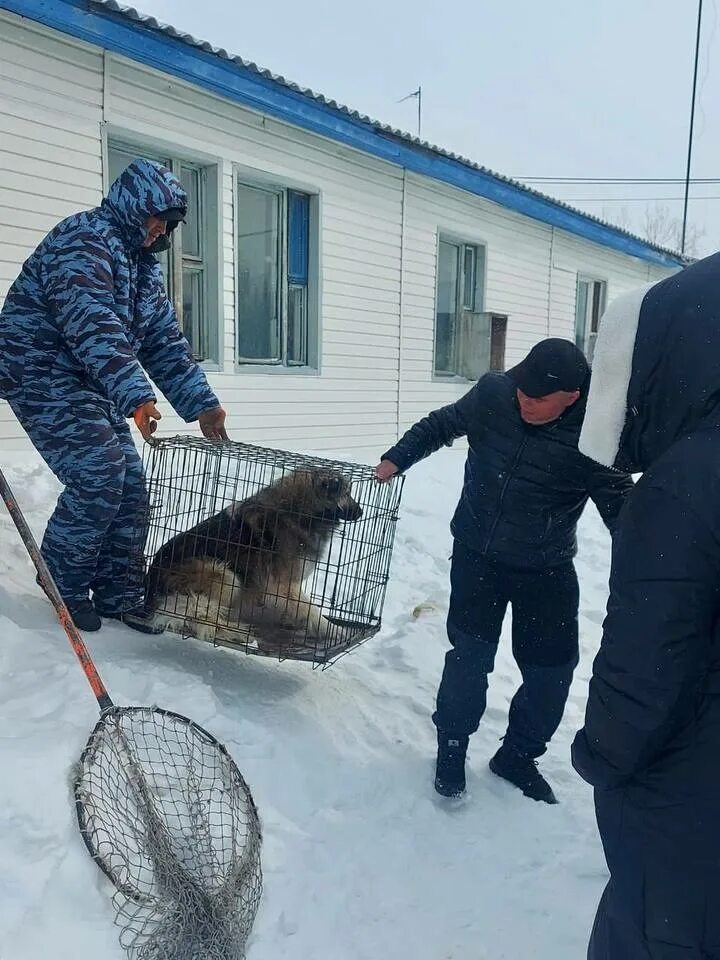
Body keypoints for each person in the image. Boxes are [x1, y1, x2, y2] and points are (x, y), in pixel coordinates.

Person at [375, 339, 633, 803]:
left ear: (572, 396)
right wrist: (397, 457)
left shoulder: (595, 434)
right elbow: (442, 424)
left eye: (537, 398)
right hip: (477, 558)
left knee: (552, 674)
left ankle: (517, 755)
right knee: (469, 661)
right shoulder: (495, 393)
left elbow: (623, 510)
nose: (523, 402)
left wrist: (653, 567)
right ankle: (451, 748)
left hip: (546, 567)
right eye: (521, 391)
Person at [0, 158, 227, 635]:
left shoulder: (141, 269)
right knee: (98, 473)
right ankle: (63, 583)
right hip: (39, 370)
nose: (161, 232)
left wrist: (201, 402)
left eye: (168, 226)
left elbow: (162, 339)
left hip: (89, 379)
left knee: (130, 487)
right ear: (136, 206)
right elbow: (92, 324)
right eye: (157, 220)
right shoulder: (84, 239)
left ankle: (119, 593)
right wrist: (134, 396)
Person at [572, 253, 720, 958]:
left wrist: (600, 752)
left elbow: (644, 664)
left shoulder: (686, 478)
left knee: (653, 931)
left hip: (688, 792)